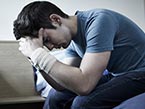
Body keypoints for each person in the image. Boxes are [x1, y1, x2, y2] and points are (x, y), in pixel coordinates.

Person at [13, 1, 145, 109]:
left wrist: (39, 54)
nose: (50, 47)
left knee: (82, 104)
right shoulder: (72, 40)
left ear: (55, 19)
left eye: (46, 39)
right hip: (118, 74)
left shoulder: (99, 21)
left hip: (141, 72)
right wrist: (36, 59)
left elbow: (84, 85)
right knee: (55, 96)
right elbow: (62, 84)